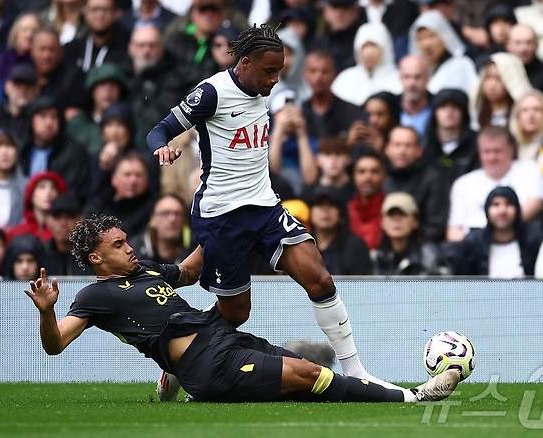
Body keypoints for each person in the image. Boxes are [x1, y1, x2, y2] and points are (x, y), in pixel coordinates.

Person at [146, 25, 407, 391]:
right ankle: (180, 359)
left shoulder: (266, 90)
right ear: (246, 63)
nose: (275, 79)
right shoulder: (211, 93)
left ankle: (355, 372)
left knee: (319, 277)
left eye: (280, 71)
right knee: (235, 314)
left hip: (265, 207)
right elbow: (159, 129)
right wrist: (163, 147)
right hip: (222, 216)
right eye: (269, 71)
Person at [25, 215, 459, 403]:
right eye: (118, 245)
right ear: (97, 259)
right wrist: (46, 311)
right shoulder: (93, 297)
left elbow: (192, 269)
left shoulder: (145, 271)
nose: (129, 247)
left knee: (307, 376)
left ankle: (172, 380)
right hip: (207, 364)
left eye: (126, 239)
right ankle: (413, 395)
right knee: (310, 376)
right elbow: (55, 345)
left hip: (221, 337)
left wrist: (224, 223)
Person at [447, 126, 543, 241]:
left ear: (511, 149)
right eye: (486, 151)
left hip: (520, 239)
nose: (492, 157)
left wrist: (500, 233)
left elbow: (536, 203)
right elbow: (453, 231)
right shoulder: (463, 184)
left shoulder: (530, 170)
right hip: (475, 245)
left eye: (497, 151)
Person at [447, 186, 543, 277]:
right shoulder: (473, 243)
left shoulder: (533, 240)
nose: (502, 211)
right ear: (487, 209)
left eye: (508, 204)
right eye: (496, 204)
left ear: (517, 209)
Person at [19, 96, 90, 201]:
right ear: (32, 120)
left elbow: (73, 193)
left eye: (54, 117)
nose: (49, 123)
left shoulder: (74, 152)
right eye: (43, 116)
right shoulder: (22, 149)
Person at [383, 126, 447, 242]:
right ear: (387, 149)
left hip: (420, 248)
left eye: (408, 145)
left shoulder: (433, 179)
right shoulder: (379, 175)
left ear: (419, 151)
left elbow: (435, 225)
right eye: (397, 145)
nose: (402, 151)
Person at [85, 152, 156, 237]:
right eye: (127, 175)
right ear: (114, 179)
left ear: (147, 180)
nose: (133, 181)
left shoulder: (154, 209)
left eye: (139, 175)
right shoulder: (99, 204)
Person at [330, 22, 401, 107]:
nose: (369, 52)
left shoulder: (398, 78)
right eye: (364, 46)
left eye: (374, 46)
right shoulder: (345, 79)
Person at [408, 10, 477, 94]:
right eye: (420, 39)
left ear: (445, 36)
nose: (426, 44)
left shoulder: (461, 65)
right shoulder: (416, 74)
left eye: (431, 36)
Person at [66, 63, 128, 156]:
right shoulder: (77, 124)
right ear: (92, 91)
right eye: (102, 85)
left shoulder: (129, 123)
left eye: (113, 86)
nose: (108, 91)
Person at [373, 192, 440, 275]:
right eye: (391, 214)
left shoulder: (430, 257)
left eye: (402, 214)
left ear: (415, 221)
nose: (396, 220)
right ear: (382, 222)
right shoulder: (374, 258)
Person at [301, 49, 362, 139]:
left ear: (334, 74)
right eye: (313, 71)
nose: (319, 77)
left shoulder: (352, 112)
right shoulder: (300, 112)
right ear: (305, 74)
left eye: (325, 71)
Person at [423, 88, 478, 185]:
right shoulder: (424, 145)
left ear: (464, 112)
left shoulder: (477, 144)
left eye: (455, 107)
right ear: (435, 112)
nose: (449, 112)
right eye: (443, 107)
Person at [308, 189, 371, 275]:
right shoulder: (303, 246)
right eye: (319, 205)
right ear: (310, 212)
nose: (325, 211)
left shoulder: (355, 246)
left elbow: (361, 284)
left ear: (340, 213)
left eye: (331, 205)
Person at [505, 24, 543, 110]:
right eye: (518, 43)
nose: (523, 48)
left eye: (528, 42)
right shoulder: (499, 72)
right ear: (508, 45)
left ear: (537, 45)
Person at [0, 64, 40, 145]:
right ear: (6, 87)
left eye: (28, 85)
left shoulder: (38, 116)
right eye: (17, 84)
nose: (23, 90)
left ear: (36, 90)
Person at [63, 0, 130, 73]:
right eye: (94, 10)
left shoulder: (127, 48)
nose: (100, 15)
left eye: (105, 10)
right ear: (84, 12)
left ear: (115, 13)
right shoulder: (71, 49)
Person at [470, 52, 531, 129]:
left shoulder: (526, 114)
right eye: (488, 77)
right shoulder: (475, 111)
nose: (492, 85)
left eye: (498, 79)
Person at [130, 194, 194, 265]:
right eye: (165, 213)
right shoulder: (134, 251)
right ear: (152, 219)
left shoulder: (193, 254)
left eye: (178, 214)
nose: (172, 219)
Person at [7, 171, 67, 243]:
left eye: (53, 188)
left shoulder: (65, 233)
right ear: (31, 195)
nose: (48, 192)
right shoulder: (17, 233)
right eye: (42, 187)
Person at [312, 0, 367, 73]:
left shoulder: (364, 41)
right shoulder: (316, 42)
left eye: (345, 8)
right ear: (325, 11)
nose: (340, 13)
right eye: (335, 7)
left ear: (356, 11)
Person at [0, 12, 41, 84]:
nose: (29, 35)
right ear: (16, 33)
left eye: (34, 31)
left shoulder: (41, 63)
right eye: (25, 30)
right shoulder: (2, 61)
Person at [348, 151, 386, 251]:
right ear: (353, 176)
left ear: (383, 176)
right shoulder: (344, 211)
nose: (368, 177)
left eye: (374, 171)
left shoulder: (391, 209)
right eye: (362, 172)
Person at [301, 137, 354, 208]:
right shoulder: (309, 194)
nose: (333, 161)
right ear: (317, 160)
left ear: (348, 159)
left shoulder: (358, 191)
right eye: (327, 155)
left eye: (338, 154)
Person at [43, 193, 86, 276]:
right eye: (57, 217)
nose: (63, 223)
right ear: (48, 221)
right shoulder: (41, 255)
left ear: (81, 220)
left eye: (69, 217)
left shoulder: (92, 257)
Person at [347, 91, 400, 156]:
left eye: (380, 114)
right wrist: (349, 144)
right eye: (369, 114)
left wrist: (383, 151)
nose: (373, 120)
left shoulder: (402, 138)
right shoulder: (359, 138)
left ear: (392, 115)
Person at [397, 55, 432, 138]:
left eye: (418, 77)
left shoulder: (438, 107)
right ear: (400, 78)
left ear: (428, 79)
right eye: (407, 77)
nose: (412, 83)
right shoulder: (390, 107)